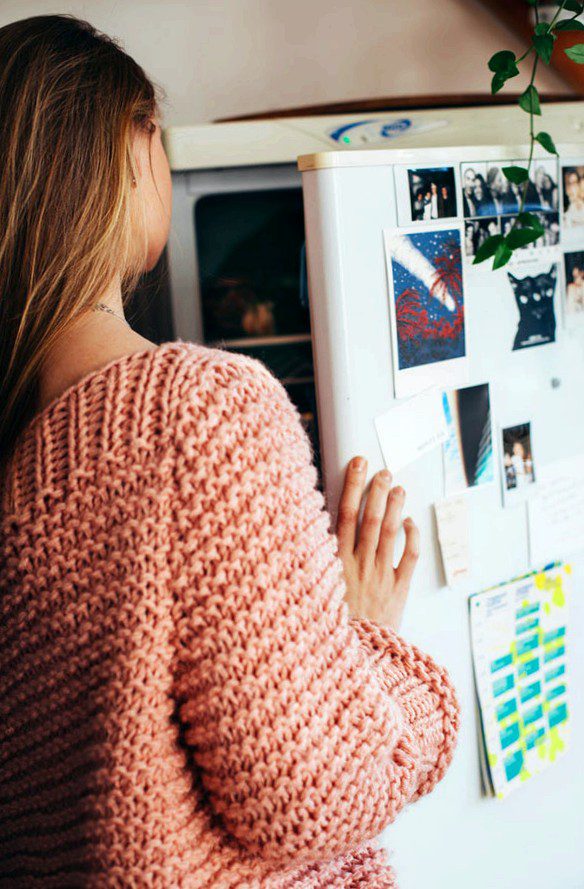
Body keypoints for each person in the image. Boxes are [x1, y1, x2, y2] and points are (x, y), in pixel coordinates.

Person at [0, 14, 459, 888]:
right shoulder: (196, 409)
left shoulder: (21, 455)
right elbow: (319, 790)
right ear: (126, 152)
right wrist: (365, 640)